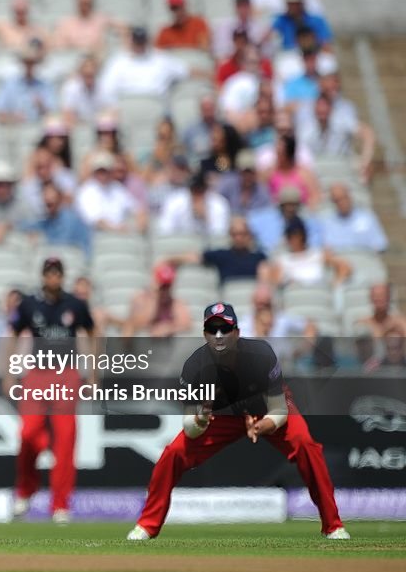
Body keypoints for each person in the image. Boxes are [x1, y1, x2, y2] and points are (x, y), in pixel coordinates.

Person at [127, 303, 349, 541]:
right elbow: (190, 429)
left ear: (237, 332)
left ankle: (333, 525)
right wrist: (200, 420)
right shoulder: (195, 366)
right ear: (204, 334)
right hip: (221, 418)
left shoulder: (261, 355)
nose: (219, 335)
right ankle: (147, 525)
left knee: (305, 445)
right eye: (212, 329)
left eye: (225, 328)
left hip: (266, 411)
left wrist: (266, 425)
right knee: (173, 454)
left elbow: (278, 409)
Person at [5, 257, 94, 524]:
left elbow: (92, 332)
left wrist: (92, 374)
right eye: (49, 273)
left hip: (66, 374)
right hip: (37, 374)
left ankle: (60, 505)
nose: (53, 278)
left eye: (57, 273)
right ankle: (26, 489)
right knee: (28, 432)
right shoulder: (29, 304)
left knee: (66, 440)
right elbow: (13, 333)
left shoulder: (75, 304)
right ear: (43, 276)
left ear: (62, 276)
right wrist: (10, 372)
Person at [165, 216, 269, 285]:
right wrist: (169, 259)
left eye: (242, 234)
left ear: (249, 235)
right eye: (235, 234)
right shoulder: (222, 255)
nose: (238, 238)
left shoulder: (259, 257)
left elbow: (266, 280)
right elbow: (195, 257)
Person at [122, 263, 192, 337]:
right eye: (162, 287)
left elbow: (187, 325)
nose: (165, 290)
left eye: (167, 286)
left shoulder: (176, 303)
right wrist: (154, 298)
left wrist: (168, 328)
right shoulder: (140, 298)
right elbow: (136, 323)